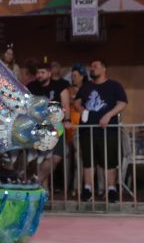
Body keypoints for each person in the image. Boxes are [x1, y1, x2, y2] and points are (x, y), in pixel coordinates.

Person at [74, 59, 128, 203]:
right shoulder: (86, 86)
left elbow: (122, 103)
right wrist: (82, 110)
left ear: (104, 69)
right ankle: (88, 189)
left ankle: (111, 189)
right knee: (88, 160)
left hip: (108, 130)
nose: (92, 69)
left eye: (95, 66)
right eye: (91, 66)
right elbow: (77, 102)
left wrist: (109, 115)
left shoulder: (114, 85)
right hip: (87, 130)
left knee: (109, 160)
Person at [28, 62, 71, 186]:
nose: (39, 75)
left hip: (56, 128)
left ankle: (36, 182)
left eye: (42, 73)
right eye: (37, 73)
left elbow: (65, 104)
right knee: (38, 159)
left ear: (49, 73)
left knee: (57, 157)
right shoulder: (32, 86)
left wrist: (67, 120)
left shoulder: (60, 85)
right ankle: (42, 188)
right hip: (38, 128)